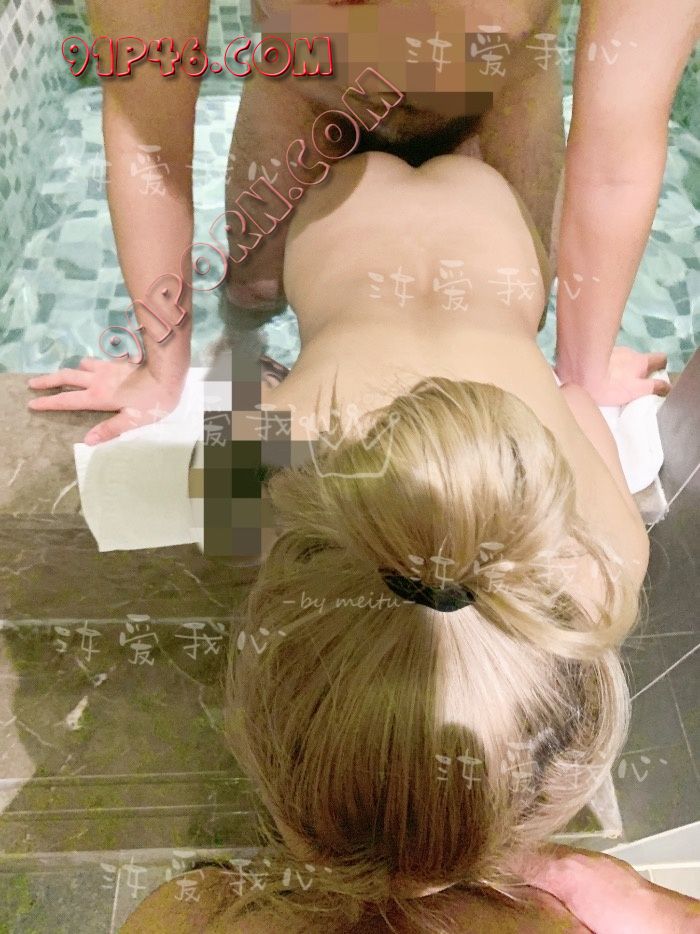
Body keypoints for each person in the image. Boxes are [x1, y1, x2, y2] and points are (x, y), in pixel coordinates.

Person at [119, 147, 674, 931]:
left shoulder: (605, 563)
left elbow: (579, 403)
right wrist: (276, 402)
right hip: (342, 211)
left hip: (489, 223)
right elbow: (232, 399)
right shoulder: (255, 518)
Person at [26, 0, 697, 441]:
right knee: (252, 291)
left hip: (498, 99)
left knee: (520, 303)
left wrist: (584, 371)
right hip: (306, 96)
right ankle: (240, 349)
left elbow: (616, 155)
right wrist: (163, 368)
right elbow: (149, 134)